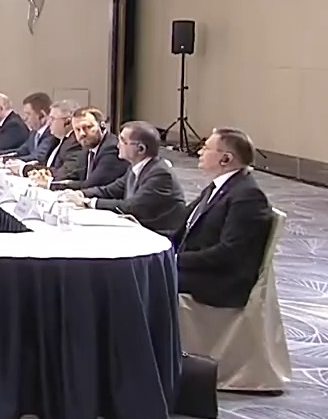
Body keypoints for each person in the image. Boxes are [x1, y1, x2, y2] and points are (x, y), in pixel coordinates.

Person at [174, 127, 274, 308]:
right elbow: (185, 226)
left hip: (220, 281)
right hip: (201, 268)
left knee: (148, 279)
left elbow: (229, 253)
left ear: (226, 158)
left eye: (206, 148)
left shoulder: (248, 196)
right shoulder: (217, 187)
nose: (199, 152)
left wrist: (175, 260)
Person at [64, 120, 186, 235]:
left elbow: (132, 207)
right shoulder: (135, 168)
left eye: (122, 141)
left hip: (159, 236)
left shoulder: (161, 175)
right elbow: (110, 190)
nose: (117, 145)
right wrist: (81, 194)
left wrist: (88, 202)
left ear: (141, 149)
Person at [51, 107, 127, 190]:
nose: (82, 133)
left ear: (102, 126)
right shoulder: (87, 149)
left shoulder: (111, 148)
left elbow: (92, 185)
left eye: (87, 127)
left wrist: (50, 185)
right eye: (77, 129)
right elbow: (74, 175)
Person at [6, 92, 58, 162]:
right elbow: (21, 151)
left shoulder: (52, 134)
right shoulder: (33, 132)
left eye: (28, 114)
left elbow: (38, 157)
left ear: (41, 115)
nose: (25, 118)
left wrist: (13, 161)